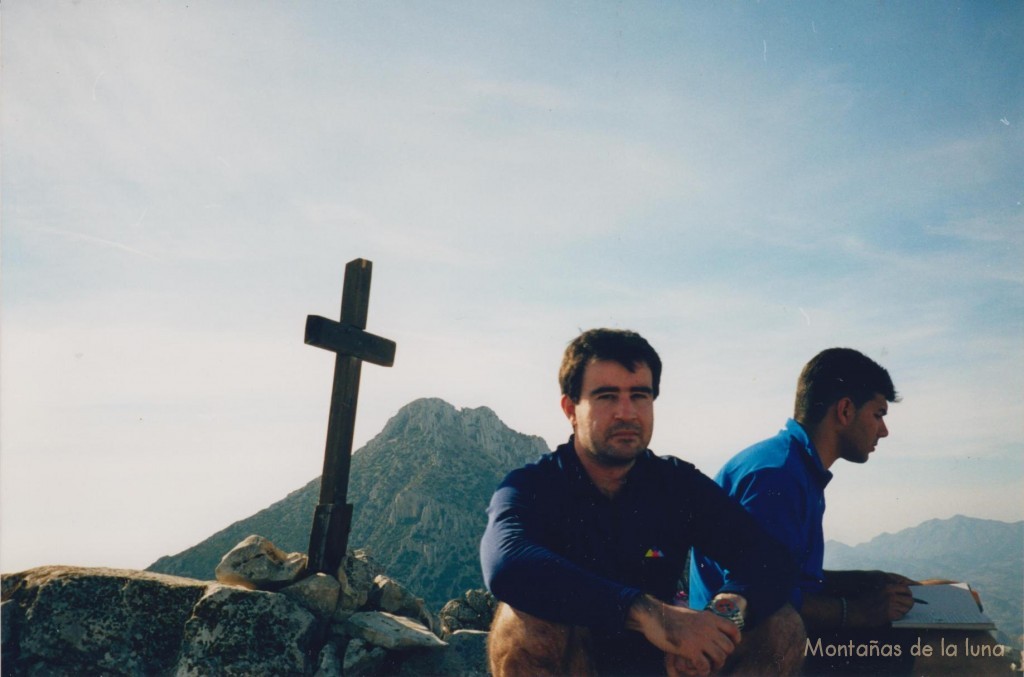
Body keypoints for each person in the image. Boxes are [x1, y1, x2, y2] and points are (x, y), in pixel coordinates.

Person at [480, 328, 806, 677]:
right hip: (576, 661)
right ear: (570, 409)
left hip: (664, 663)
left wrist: (722, 616)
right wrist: (648, 613)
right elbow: (506, 565)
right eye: (606, 396)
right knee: (522, 622)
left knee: (782, 625)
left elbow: (768, 558)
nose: (627, 413)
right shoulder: (534, 485)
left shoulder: (675, 483)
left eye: (640, 395)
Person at [689, 347, 919, 674]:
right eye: (878, 414)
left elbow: (787, 580)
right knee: (944, 652)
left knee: (936, 603)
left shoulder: (794, 466)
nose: (883, 430)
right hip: (744, 650)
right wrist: (859, 613)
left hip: (773, 636)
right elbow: (761, 598)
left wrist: (868, 581)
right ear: (845, 410)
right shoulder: (777, 476)